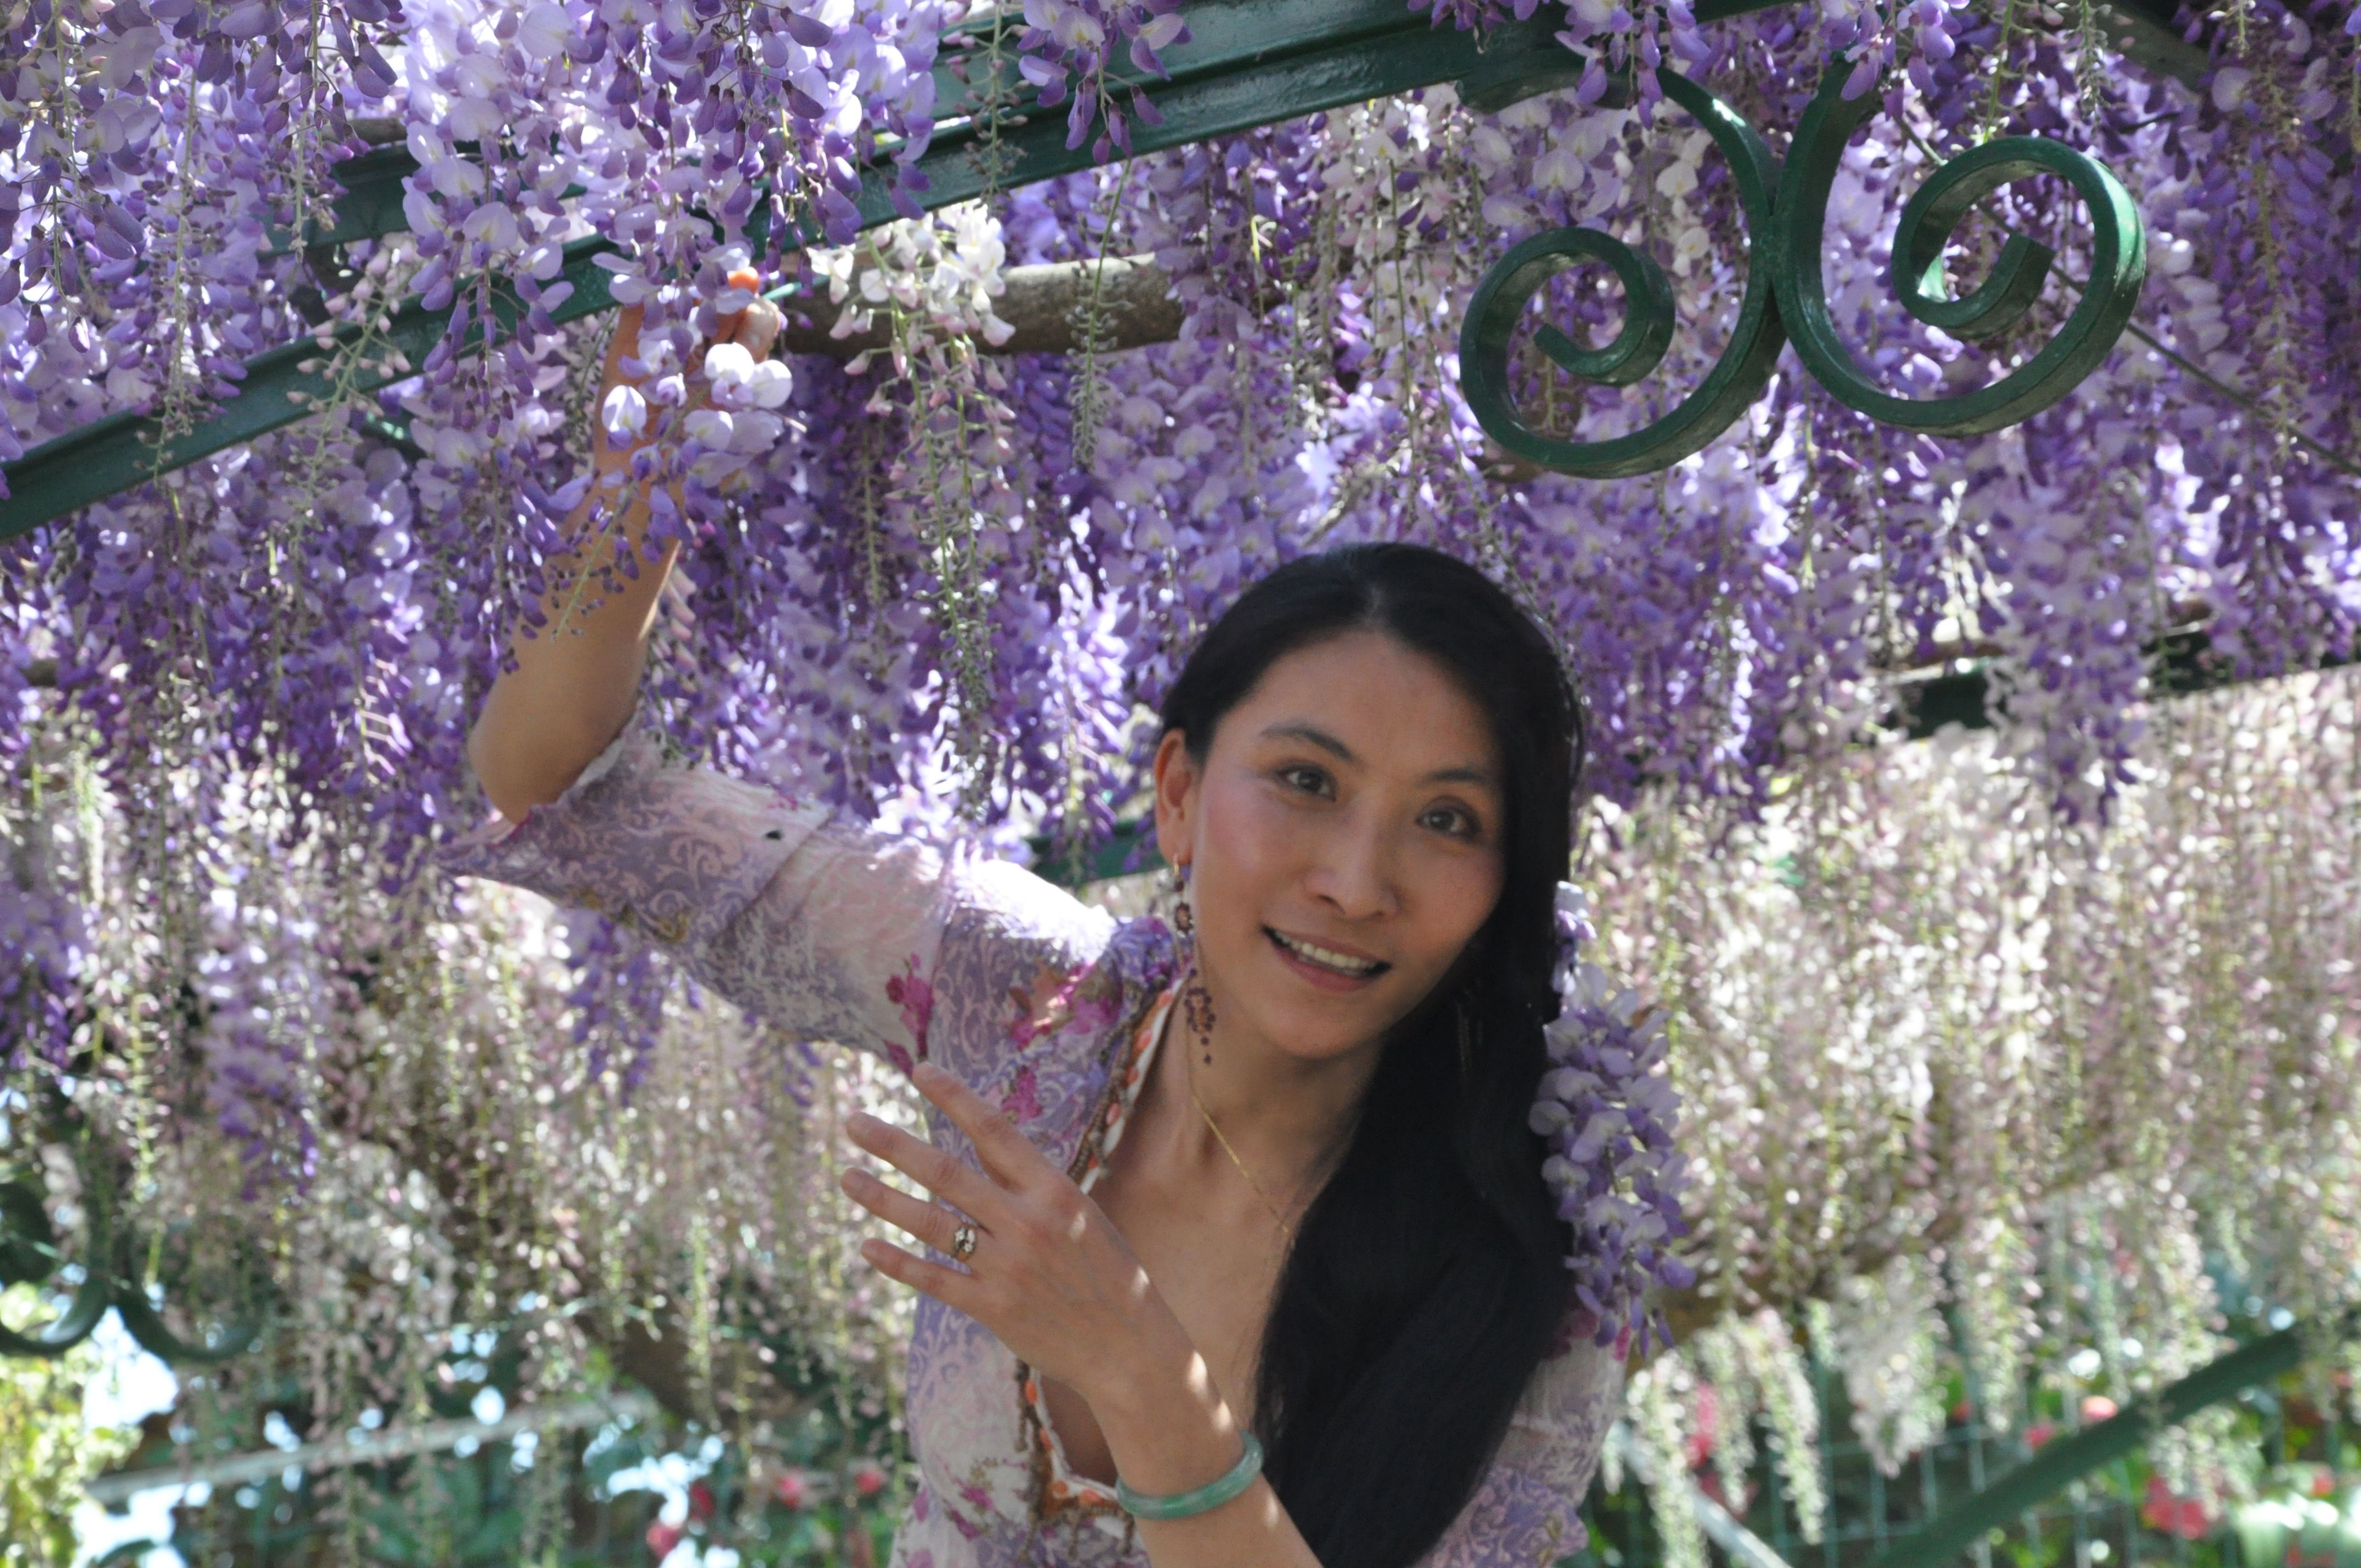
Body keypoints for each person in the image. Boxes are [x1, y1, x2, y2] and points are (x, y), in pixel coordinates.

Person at [451, 290, 1628, 1568]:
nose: (1354, 879)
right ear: (1175, 795)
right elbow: (562, 793)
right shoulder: (1024, 996)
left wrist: (1136, 1365)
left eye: (1446, 820)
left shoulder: (1543, 1255)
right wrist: (645, 482)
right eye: (1304, 781)